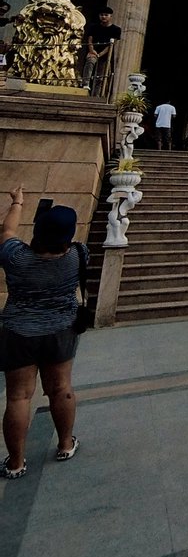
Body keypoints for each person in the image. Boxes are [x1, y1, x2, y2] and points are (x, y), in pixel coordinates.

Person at [1, 189, 82, 478]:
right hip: (60, 330)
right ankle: (64, 443)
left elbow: (8, 230)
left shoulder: (15, 257)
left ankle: (16, 462)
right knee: (61, 388)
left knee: (19, 398)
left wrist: (17, 202)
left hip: (19, 332)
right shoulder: (76, 256)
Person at [82, 7, 121, 93]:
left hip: (106, 54)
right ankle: (85, 83)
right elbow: (90, 40)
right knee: (90, 62)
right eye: (101, 15)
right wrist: (92, 51)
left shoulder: (116, 29)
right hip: (93, 51)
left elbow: (111, 45)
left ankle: (96, 94)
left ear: (110, 16)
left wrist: (100, 54)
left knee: (100, 76)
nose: (103, 17)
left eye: (106, 15)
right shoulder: (94, 27)